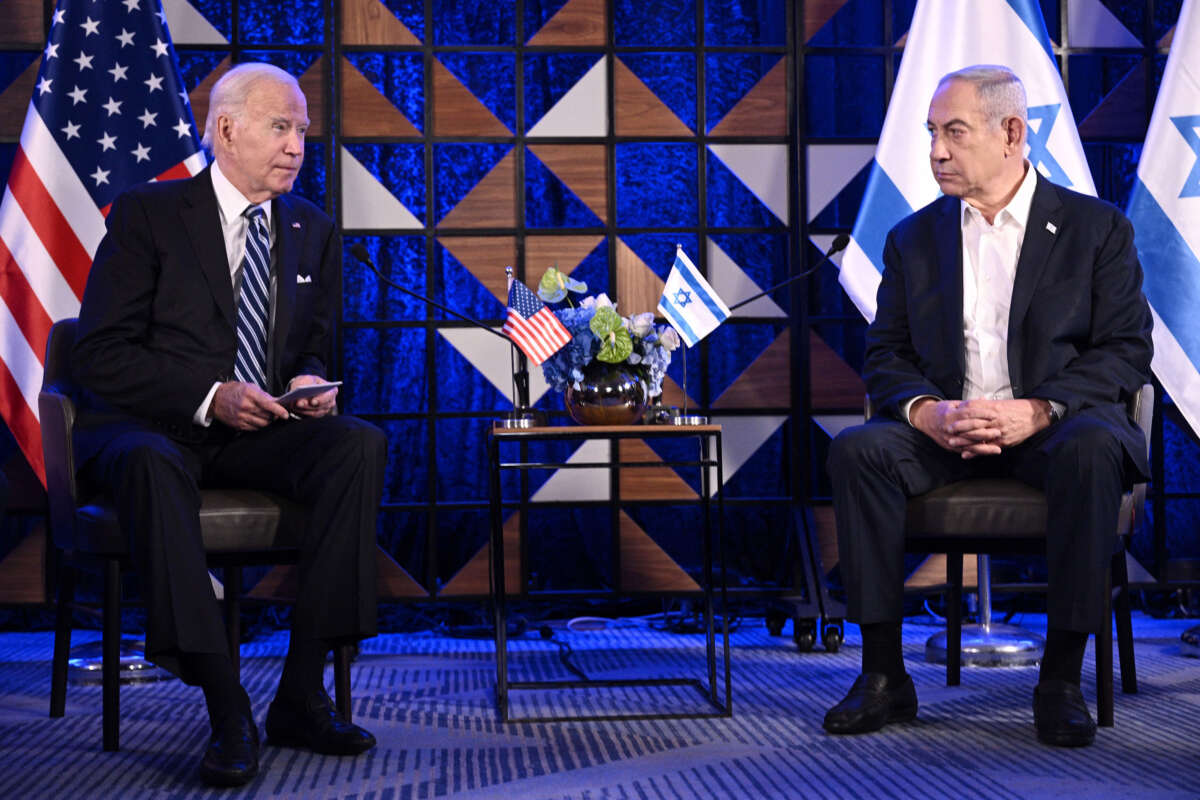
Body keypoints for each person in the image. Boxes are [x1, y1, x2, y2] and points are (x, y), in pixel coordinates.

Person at [71, 63, 386, 786]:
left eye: (303, 130)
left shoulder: (312, 227)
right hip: (153, 428)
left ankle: (302, 695)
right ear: (225, 129)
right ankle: (225, 704)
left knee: (356, 446)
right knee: (149, 463)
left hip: (259, 435)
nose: (297, 145)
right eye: (281, 127)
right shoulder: (147, 215)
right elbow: (99, 354)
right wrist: (210, 395)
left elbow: (313, 343)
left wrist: (308, 379)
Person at [824, 65, 1152, 748]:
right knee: (858, 450)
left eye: (953, 132)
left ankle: (1060, 679)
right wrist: (926, 413)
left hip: (1056, 430)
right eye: (932, 134)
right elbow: (886, 356)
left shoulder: (1098, 230)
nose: (937, 151)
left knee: (1095, 448)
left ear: (1011, 133)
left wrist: (1040, 409)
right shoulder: (913, 240)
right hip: (947, 431)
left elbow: (1124, 352)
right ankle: (884, 674)